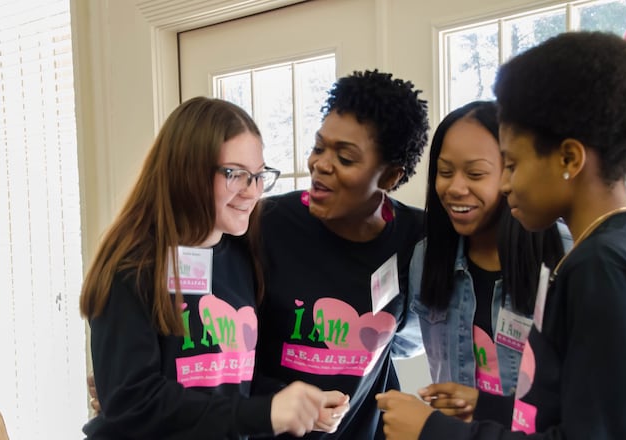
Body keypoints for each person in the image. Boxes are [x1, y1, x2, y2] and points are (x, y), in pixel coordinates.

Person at [376, 31, 626, 439]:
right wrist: (486, 405)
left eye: (514, 163)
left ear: (568, 158)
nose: (507, 185)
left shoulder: (600, 268)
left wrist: (433, 431)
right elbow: (589, 410)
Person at [79, 96, 348, 440]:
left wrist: (296, 402)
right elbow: (134, 403)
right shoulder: (132, 267)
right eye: (235, 174)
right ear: (186, 170)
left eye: (258, 175)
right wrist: (264, 414)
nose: (252, 191)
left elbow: (229, 381)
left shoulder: (240, 256)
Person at [253, 69, 430, 439]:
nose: (320, 164)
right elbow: (222, 352)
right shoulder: (265, 225)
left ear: (390, 177)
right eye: (319, 147)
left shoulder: (417, 238)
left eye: (345, 158)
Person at [408, 100, 568, 425]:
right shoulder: (426, 258)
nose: (455, 188)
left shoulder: (563, 256)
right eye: (444, 171)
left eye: (475, 173)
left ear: (512, 173)